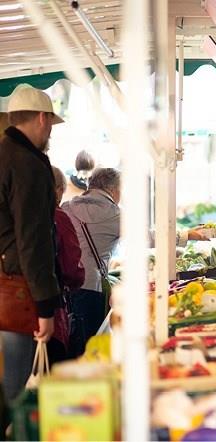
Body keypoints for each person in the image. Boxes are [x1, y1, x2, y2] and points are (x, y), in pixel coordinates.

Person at [0, 87, 63, 402]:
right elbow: (33, 240)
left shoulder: (3, 154)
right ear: (42, 118)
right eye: (50, 122)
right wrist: (45, 306)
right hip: (17, 290)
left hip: (5, 281)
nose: (50, 130)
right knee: (18, 388)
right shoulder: (28, 164)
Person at [62, 168, 121, 356]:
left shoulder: (66, 208)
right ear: (113, 190)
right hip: (91, 287)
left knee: (74, 338)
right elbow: (147, 236)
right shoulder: (113, 214)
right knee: (94, 343)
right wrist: (185, 235)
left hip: (66, 285)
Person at [50, 166, 85, 364]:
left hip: (14, 308)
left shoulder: (14, 213)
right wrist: (75, 282)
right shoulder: (58, 217)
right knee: (53, 367)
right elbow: (72, 266)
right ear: (57, 190)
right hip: (51, 308)